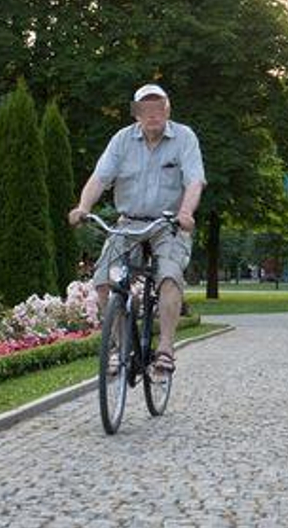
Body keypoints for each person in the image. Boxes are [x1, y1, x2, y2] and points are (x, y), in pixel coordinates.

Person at [68, 83, 205, 373]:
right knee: (104, 281)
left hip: (167, 224)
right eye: (146, 109)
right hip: (128, 224)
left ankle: (166, 348)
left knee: (169, 277)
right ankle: (120, 347)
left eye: (158, 108)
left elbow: (194, 180)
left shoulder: (184, 137)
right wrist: (83, 207)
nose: (152, 114)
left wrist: (185, 212)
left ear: (167, 110)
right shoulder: (121, 140)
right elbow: (100, 177)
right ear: (136, 114)